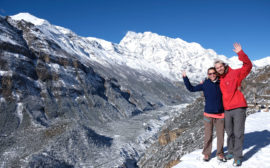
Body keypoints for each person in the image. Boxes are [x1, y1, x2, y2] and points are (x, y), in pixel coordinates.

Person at [214, 43, 252, 167]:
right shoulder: (220, 79)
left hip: (238, 108)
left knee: (238, 133)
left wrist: (240, 53)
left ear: (224, 66)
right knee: (229, 132)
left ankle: (238, 157)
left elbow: (248, 66)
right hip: (227, 109)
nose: (219, 69)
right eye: (217, 68)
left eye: (220, 66)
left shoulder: (235, 73)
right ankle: (230, 151)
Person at [182, 68, 226, 162]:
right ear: (208, 75)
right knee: (208, 135)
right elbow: (191, 88)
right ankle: (206, 153)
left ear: (217, 73)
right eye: (210, 74)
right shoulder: (205, 84)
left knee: (220, 135)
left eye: (214, 73)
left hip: (220, 113)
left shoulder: (222, 83)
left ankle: (220, 153)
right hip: (208, 114)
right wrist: (185, 78)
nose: (212, 75)